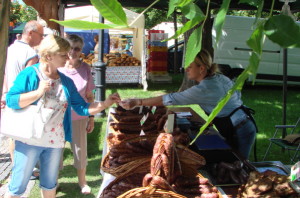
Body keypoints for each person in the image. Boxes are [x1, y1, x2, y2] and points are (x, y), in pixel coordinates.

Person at [4, 34, 120, 198]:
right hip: (29, 139)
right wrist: (37, 93)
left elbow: (81, 108)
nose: (68, 57)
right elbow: (11, 100)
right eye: (63, 54)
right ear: (48, 56)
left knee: (50, 183)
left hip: (55, 141)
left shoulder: (65, 81)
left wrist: (106, 103)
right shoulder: (30, 74)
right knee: (19, 184)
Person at [120, 49, 257, 159]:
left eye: (190, 67)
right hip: (242, 122)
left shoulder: (206, 88)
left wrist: (138, 102)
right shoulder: (219, 77)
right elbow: (237, 96)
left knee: (239, 164)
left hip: (240, 129)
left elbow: (170, 98)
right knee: (233, 159)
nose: (186, 70)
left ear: (201, 68)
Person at [1, 20, 45, 179]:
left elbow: (4, 74)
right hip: (26, 101)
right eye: (41, 35)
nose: (42, 38)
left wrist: (5, 94)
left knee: (13, 136)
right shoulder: (30, 53)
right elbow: (30, 81)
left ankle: (16, 168)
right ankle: (28, 169)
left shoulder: (9, 49)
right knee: (27, 136)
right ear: (31, 33)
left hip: (10, 98)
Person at [58, 34, 95, 194]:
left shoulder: (86, 68)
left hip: (78, 117)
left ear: (81, 51)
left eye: (77, 49)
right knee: (55, 150)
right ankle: (53, 181)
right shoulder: (58, 67)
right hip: (57, 118)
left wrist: (91, 118)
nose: (73, 52)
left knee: (80, 150)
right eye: (70, 48)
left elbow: (90, 96)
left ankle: (82, 182)